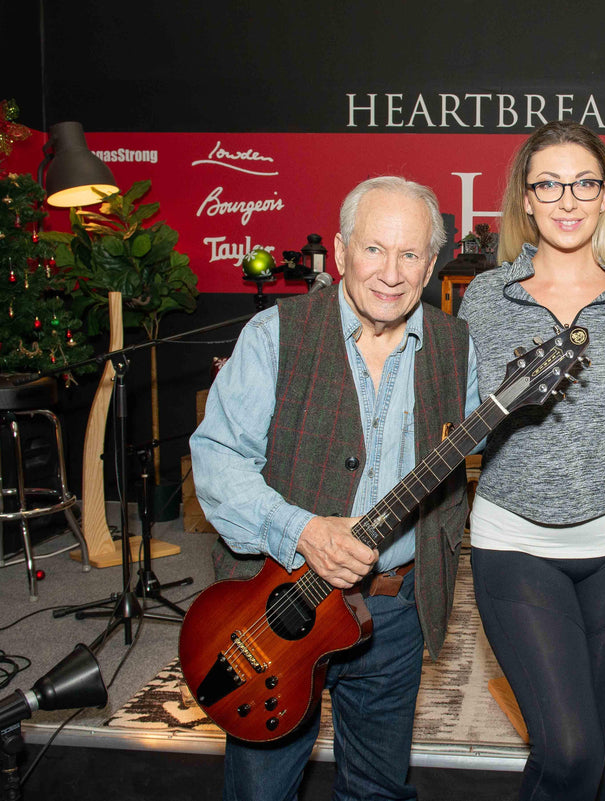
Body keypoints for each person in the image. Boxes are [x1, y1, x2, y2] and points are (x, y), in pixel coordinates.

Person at [190, 175, 479, 801]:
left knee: (376, 788)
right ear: (343, 253)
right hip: (279, 603)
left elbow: (471, 456)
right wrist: (302, 529)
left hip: (396, 609)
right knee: (262, 791)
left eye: (410, 255)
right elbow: (215, 459)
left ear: (431, 265)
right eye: (375, 249)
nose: (391, 273)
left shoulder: (457, 347)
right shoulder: (275, 334)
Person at [457, 120, 605, 801]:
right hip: (514, 541)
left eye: (584, 182)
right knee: (571, 746)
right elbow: (453, 413)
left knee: (590, 751)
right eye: (547, 183)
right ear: (525, 198)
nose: (566, 198)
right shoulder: (487, 298)